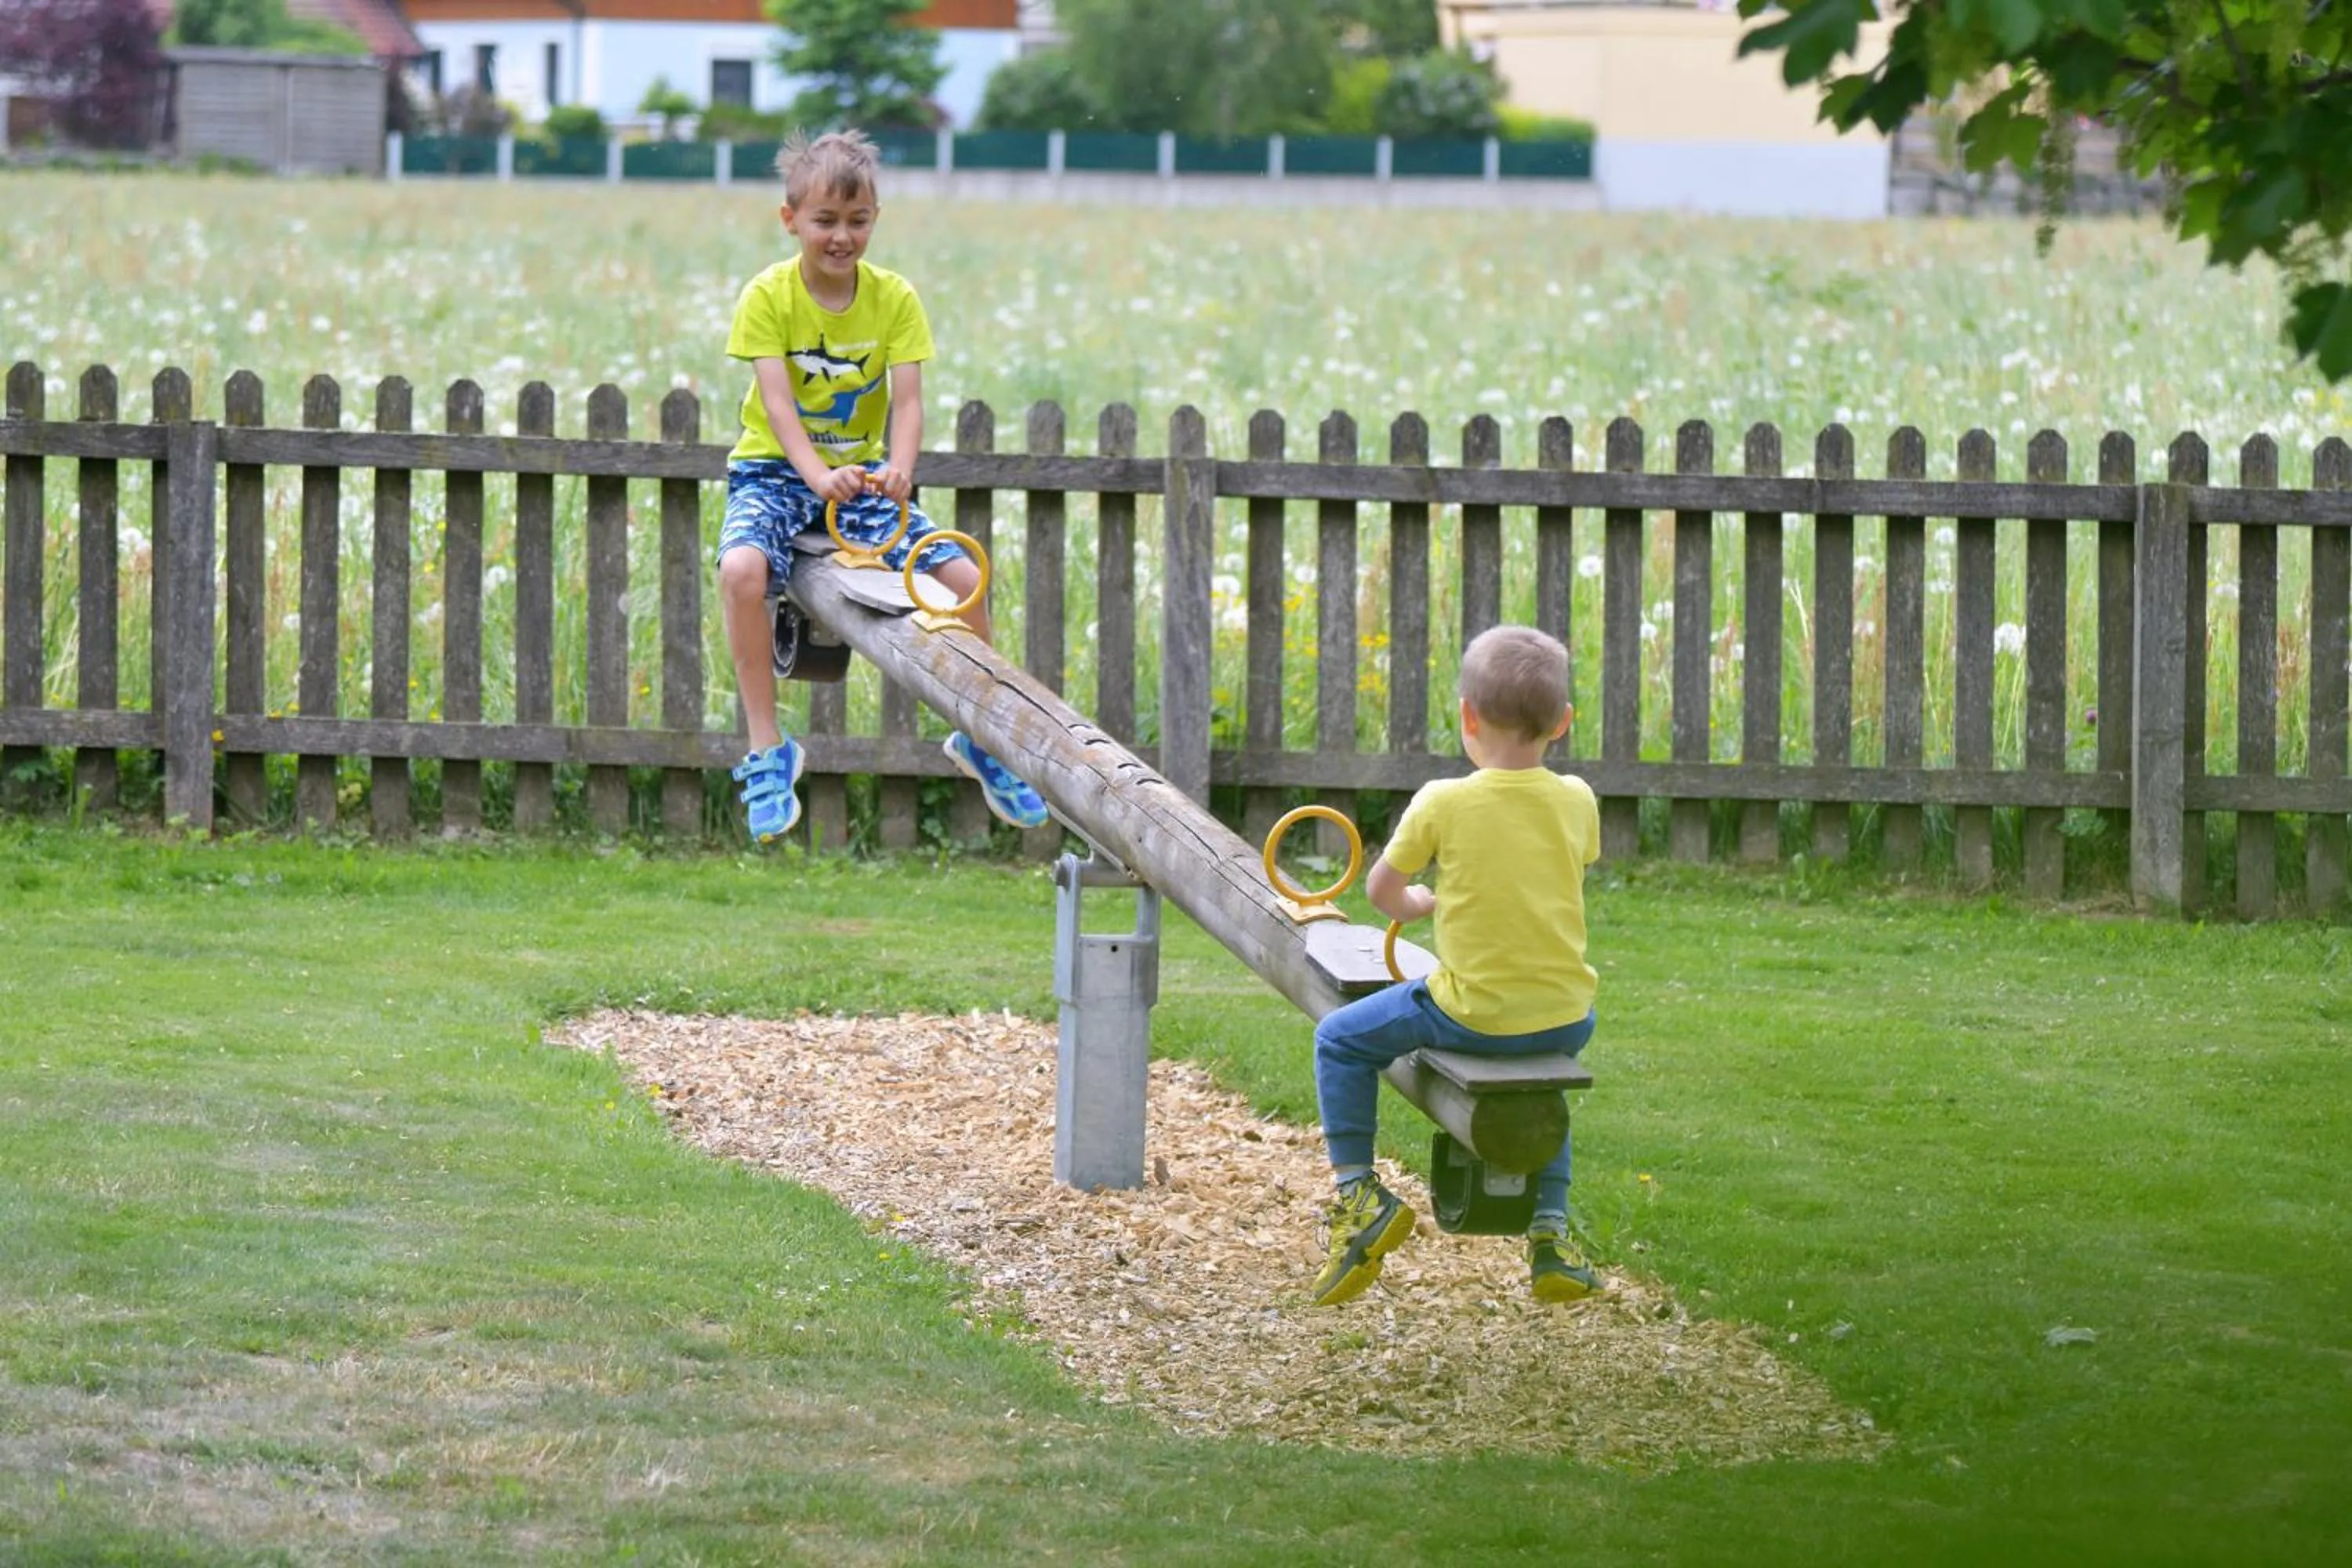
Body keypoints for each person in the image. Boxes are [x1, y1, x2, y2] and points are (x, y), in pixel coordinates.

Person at [717, 127, 1050, 844]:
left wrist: (899, 471)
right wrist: (815, 475)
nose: (842, 237)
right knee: (743, 571)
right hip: (778, 472)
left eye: (858, 221)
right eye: (825, 221)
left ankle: (980, 738)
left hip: (862, 482)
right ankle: (767, 748)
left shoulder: (894, 298)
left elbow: (908, 403)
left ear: (875, 220)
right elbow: (777, 405)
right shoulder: (768, 296)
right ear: (791, 220)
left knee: (962, 579)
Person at [1308, 624, 1604, 1307]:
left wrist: (1415, 904)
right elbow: (1575, 861)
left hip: (1468, 1013)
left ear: (1467, 716)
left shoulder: (1444, 801)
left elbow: (1382, 890)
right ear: (1561, 723)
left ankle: (1360, 1195)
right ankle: (1551, 1236)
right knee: (1542, 1083)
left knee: (1339, 1040)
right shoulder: (1578, 799)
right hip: (1564, 1019)